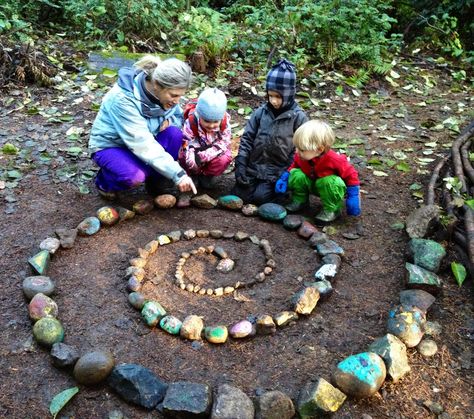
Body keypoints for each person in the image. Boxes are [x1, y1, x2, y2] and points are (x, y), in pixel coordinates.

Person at [88, 55, 197, 200]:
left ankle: (156, 182)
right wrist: (178, 174)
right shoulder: (123, 99)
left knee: (174, 134)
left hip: (145, 142)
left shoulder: (166, 95)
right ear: (157, 84)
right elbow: (142, 143)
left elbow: (178, 119)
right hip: (111, 146)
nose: (177, 101)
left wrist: (170, 123)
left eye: (180, 95)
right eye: (174, 95)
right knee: (134, 176)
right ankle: (105, 182)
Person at [231, 59, 308, 205]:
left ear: (289, 93)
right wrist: (241, 163)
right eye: (270, 95)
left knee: (261, 198)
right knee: (241, 194)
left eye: (278, 96)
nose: (273, 101)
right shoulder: (261, 113)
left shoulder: (298, 117)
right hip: (254, 167)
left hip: (278, 171)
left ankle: (284, 194)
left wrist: (286, 172)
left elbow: (299, 151)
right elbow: (248, 138)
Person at [275, 120, 361, 224]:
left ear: (319, 149)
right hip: (311, 183)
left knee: (330, 182)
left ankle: (332, 209)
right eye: (296, 147)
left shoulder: (335, 159)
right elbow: (294, 165)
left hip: (327, 188)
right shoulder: (302, 157)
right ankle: (300, 200)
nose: (297, 152)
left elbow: (351, 174)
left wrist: (353, 195)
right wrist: (284, 178)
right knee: (296, 174)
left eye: (301, 149)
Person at [178, 87, 232, 189]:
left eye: (216, 122)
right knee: (183, 156)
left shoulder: (224, 123)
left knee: (225, 157)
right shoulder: (191, 122)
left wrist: (204, 156)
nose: (211, 126)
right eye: (207, 121)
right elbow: (186, 144)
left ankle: (207, 176)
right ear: (199, 115)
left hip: (214, 150)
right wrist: (193, 162)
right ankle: (192, 175)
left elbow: (224, 143)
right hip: (196, 149)